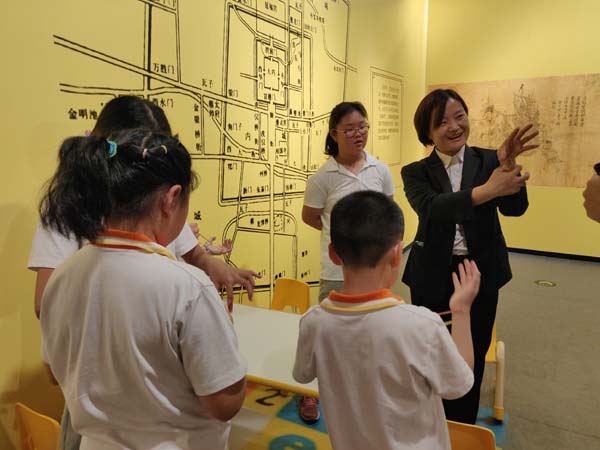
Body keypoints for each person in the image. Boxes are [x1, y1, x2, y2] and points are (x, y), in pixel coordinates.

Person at [39, 129, 247, 450]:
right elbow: (224, 404)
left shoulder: (63, 275)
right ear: (171, 198)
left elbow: (54, 373)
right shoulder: (188, 287)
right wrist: (226, 337)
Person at [28, 95, 259, 320]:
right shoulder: (68, 207)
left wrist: (209, 266)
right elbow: (45, 304)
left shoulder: (158, 204)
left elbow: (194, 254)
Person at [293, 190, 480, 450]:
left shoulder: (314, 322)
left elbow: (302, 375)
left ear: (333, 254)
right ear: (396, 253)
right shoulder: (422, 325)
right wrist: (461, 310)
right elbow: (459, 383)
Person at [401, 88, 538, 423]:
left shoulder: (491, 159)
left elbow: (515, 209)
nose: (454, 126)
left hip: (480, 272)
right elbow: (433, 208)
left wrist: (509, 168)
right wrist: (487, 190)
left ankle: (463, 424)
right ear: (427, 132)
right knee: (431, 347)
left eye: (459, 116)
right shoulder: (415, 172)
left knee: (472, 351)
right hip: (432, 273)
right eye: (442, 122)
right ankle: (430, 419)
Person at [299, 101, 394, 422]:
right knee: (327, 333)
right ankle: (311, 393)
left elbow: (387, 214)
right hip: (336, 269)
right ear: (334, 134)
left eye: (362, 126)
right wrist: (343, 238)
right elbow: (312, 216)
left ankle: (365, 390)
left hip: (373, 269)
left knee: (371, 333)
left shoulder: (380, 170)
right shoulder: (323, 177)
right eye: (350, 129)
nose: (358, 134)